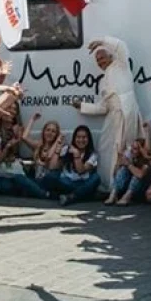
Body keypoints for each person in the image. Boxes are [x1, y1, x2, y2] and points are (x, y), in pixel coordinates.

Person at [72, 37, 139, 189]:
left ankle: (123, 188)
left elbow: (121, 45)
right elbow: (103, 107)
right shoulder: (103, 81)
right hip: (113, 116)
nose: (100, 61)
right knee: (105, 149)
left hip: (127, 112)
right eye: (97, 60)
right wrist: (82, 106)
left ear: (111, 56)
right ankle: (109, 186)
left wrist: (101, 41)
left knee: (127, 151)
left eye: (102, 57)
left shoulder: (121, 65)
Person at [44, 125, 102, 206]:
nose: (81, 140)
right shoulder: (67, 149)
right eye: (78, 137)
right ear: (74, 139)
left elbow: (81, 171)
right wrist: (57, 150)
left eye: (84, 137)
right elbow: (52, 167)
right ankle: (82, 195)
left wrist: (76, 155)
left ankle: (71, 196)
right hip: (66, 182)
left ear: (88, 139)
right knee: (50, 176)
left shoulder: (93, 154)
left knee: (96, 178)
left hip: (82, 183)